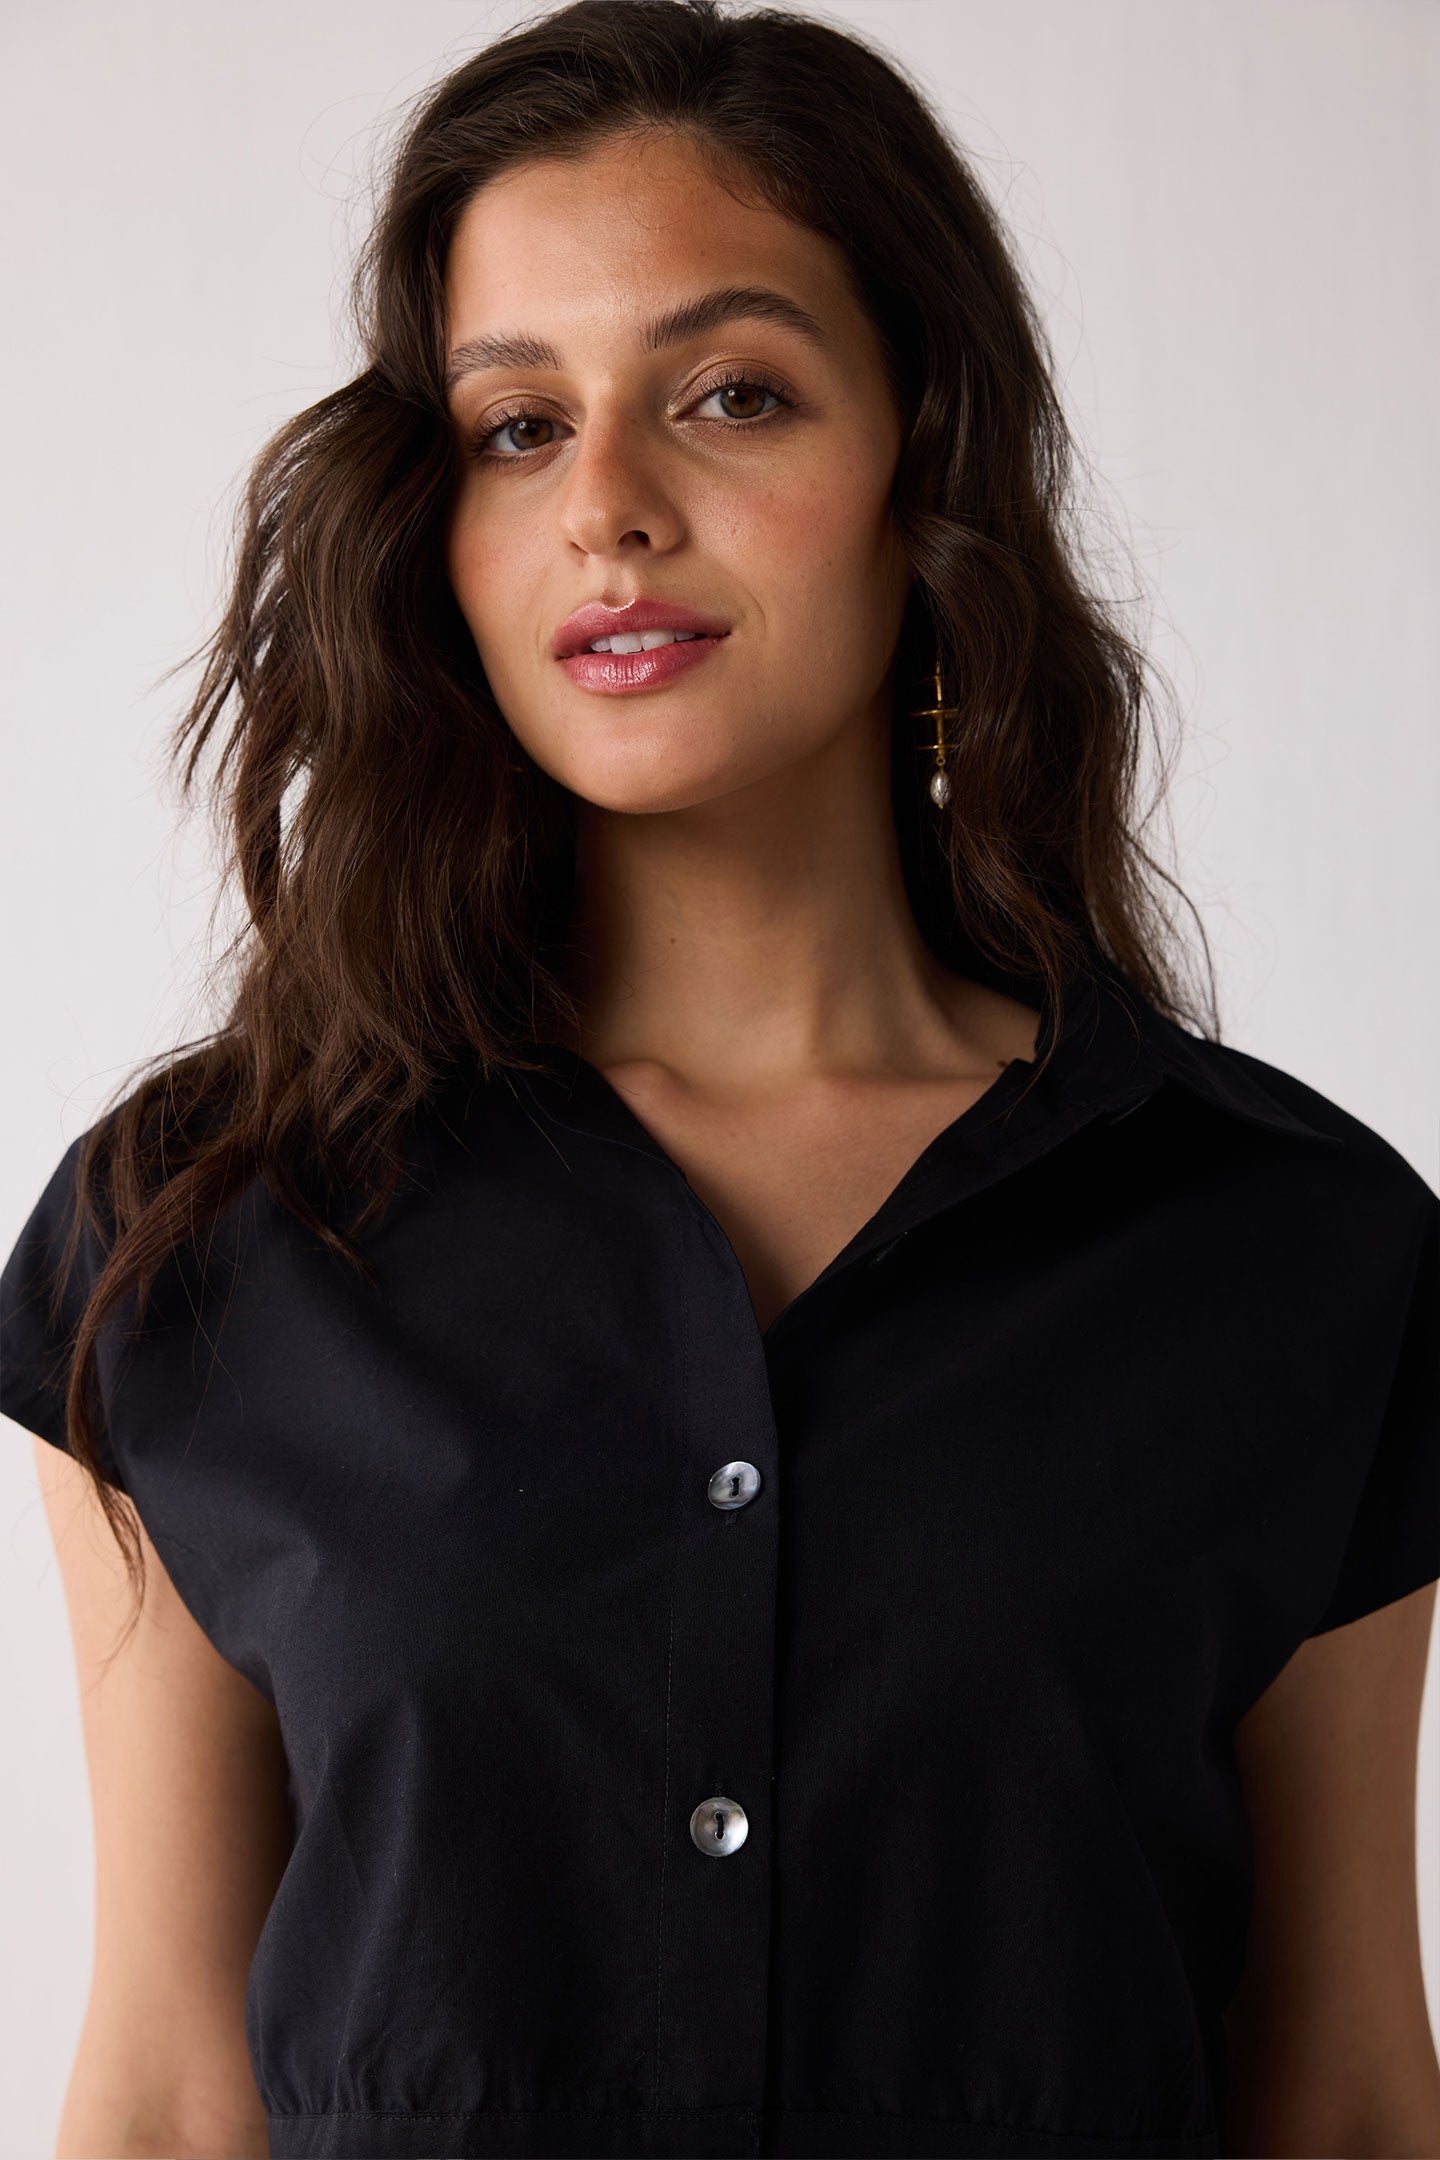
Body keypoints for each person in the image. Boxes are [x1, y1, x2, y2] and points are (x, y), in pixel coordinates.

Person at [3, 2, 1438, 2155]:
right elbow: (172, 2094)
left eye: (731, 395)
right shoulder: (207, 1229)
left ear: (924, 471)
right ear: (439, 529)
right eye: (514, 426)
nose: (609, 507)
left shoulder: (1295, 1254)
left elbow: (1334, 2094)